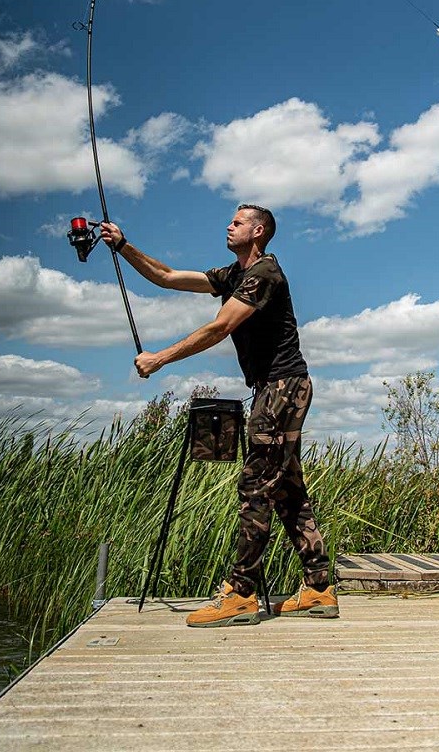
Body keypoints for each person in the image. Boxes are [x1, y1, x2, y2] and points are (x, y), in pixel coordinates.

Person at [100, 205, 338, 628]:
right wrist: (122, 246)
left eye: (238, 221)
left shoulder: (264, 274)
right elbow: (169, 277)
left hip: (283, 387)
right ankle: (319, 588)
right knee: (285, 491)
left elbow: (220, 327)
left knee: (254, 487)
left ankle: (242, 594)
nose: (229, 225)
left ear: (258, 230)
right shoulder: (234, 274)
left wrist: (160, 359)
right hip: (273, 389)